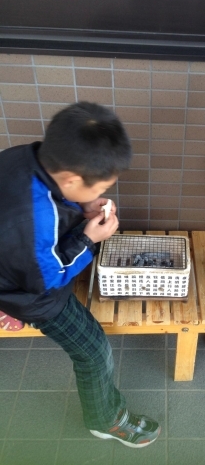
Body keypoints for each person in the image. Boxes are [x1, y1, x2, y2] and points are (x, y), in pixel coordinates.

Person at [0, 102, 161, 447]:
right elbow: (47, 280)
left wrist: (80, 205)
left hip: (18, 255)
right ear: (72, 179)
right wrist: (89, 239)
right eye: (98, 189)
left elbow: (50, 205)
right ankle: (107, 419)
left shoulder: (24, 157)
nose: (101, 196)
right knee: (92, 351)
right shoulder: (32, 220)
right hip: (32, 294)